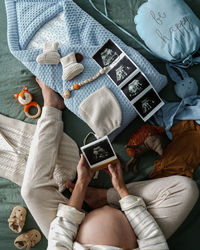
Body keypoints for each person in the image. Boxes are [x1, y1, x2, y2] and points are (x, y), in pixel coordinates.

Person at [21, 78, 199, 250]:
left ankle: (52, 107)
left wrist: (81, 184)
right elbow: (152, 239)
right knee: (187, 189)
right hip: (135, 229)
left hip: (73, 235)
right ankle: (104, 196)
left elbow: (60, 236)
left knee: (31, 192)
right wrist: (121, 191)